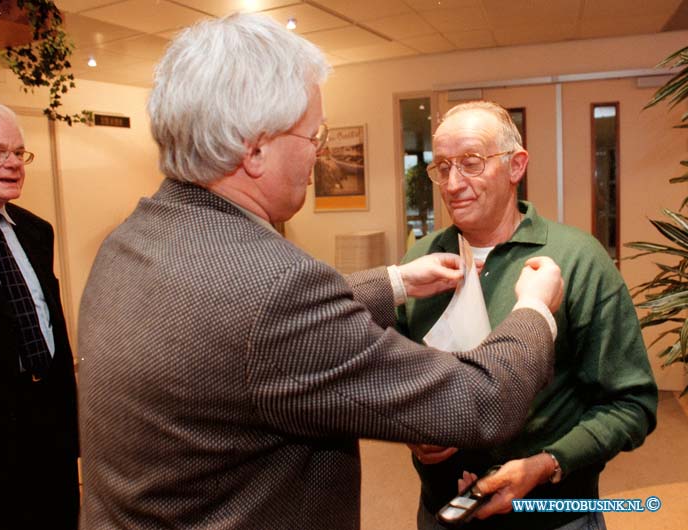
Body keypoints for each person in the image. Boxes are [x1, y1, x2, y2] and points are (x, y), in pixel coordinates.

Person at [77, 13, 565, 530]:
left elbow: (229, 322)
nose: (319, 153)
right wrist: (534, 308)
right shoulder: (275, 289)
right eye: (313, 135)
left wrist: (397, 282)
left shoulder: (129, 238)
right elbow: (481, 402)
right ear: (257, 147)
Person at [397, 101, 658, 530]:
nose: (452, 183)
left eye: (471, 163)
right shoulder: (418, 262)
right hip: (443, 512)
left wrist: (547, 463)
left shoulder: (577, 260)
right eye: (442, 167)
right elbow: (395, 378)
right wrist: (413, 432)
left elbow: (632, 405)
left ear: (516, 166)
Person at [0, 99, 79, 529]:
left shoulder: (36, 230)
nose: (12, 164)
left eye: (18, 153)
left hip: (48, 434)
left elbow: (49, 326)